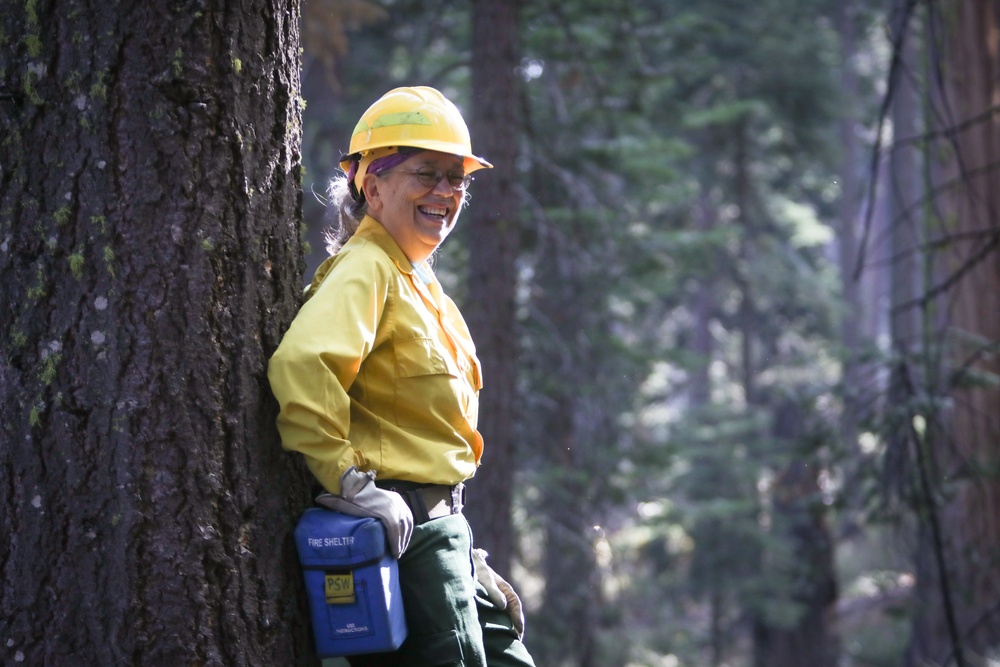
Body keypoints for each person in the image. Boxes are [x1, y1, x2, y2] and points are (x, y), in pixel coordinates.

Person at [268, 86, 536, 667]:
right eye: (427, 173)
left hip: (442, 534)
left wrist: (465, 550)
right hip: (404, 539)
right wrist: (351, 484)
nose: (446, 192)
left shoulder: (417, 279)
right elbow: (303, 365)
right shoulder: (367, 270)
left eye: (456, 178)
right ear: (373, 183)